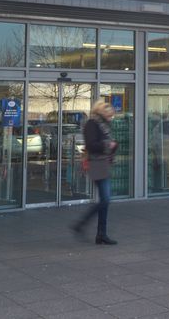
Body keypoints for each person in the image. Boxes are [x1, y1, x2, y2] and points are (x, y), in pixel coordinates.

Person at [71, 100, 118, 245]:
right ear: (102, 113)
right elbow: (91, 145)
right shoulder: (92, 124)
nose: (111, 118)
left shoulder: (103, 125)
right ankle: (82, 225)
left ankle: (101, 234)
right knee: (105, 200)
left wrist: (113, 146)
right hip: (96, 164)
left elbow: (106, 145)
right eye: (109, 115)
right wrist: (107, 145)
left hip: (103, 163)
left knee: (105, 200)